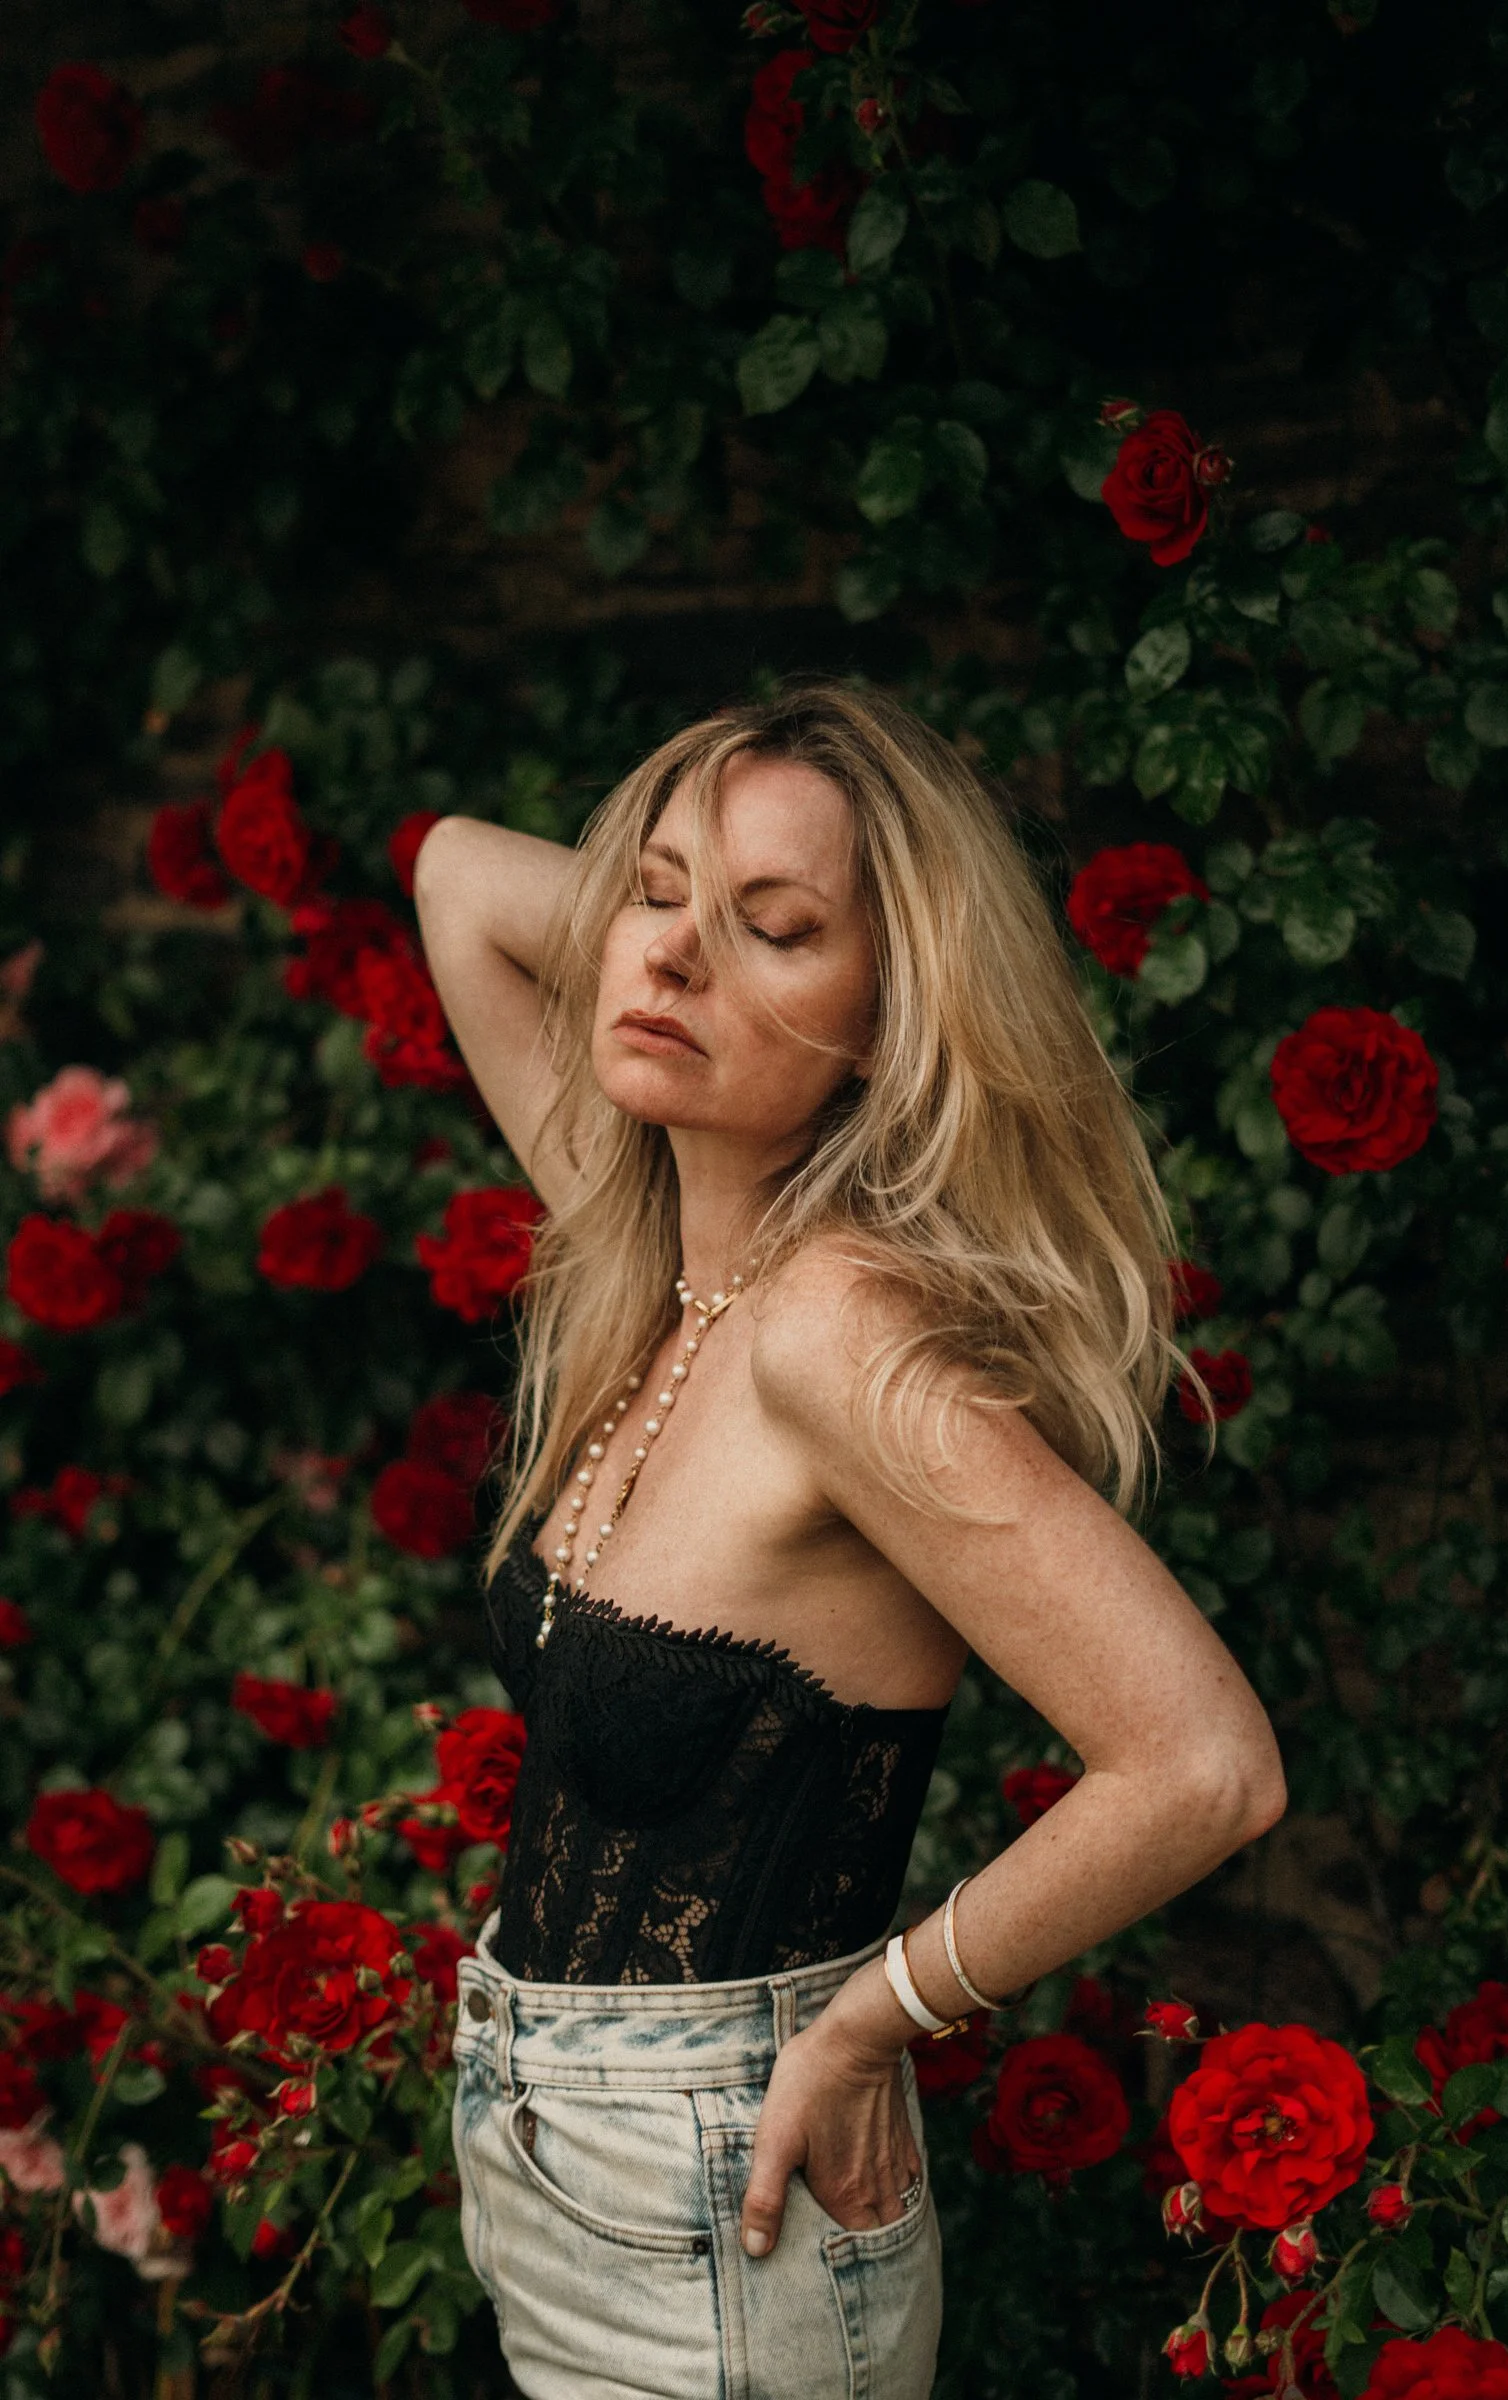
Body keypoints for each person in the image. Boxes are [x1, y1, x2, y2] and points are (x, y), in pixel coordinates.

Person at [413, 680, 1286, 2400]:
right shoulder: (648, 1245)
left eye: (777, 930)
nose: (665, 961)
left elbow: (1202, 1763)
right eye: (655, 896)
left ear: (891, 1019)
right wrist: (704, 880)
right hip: (546, 2167)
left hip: (725, 2214)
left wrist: (879, 2012)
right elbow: (455, 874)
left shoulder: (843, 1342)